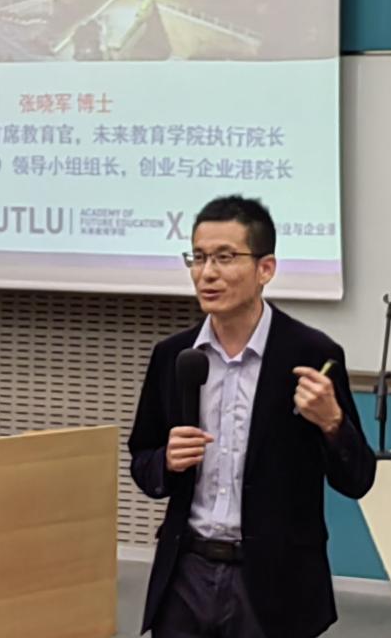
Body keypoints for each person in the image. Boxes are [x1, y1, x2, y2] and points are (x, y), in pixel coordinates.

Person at [128, 195, 376, 638]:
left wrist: (332, 423)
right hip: (186, 575)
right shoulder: (175, 356)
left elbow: (357, 479)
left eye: (225, 258)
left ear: (266, 269)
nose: (207, 273)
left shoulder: (311, 354)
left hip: (274, 583)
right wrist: (165, 460)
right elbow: (142, 462)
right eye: (199, 257)